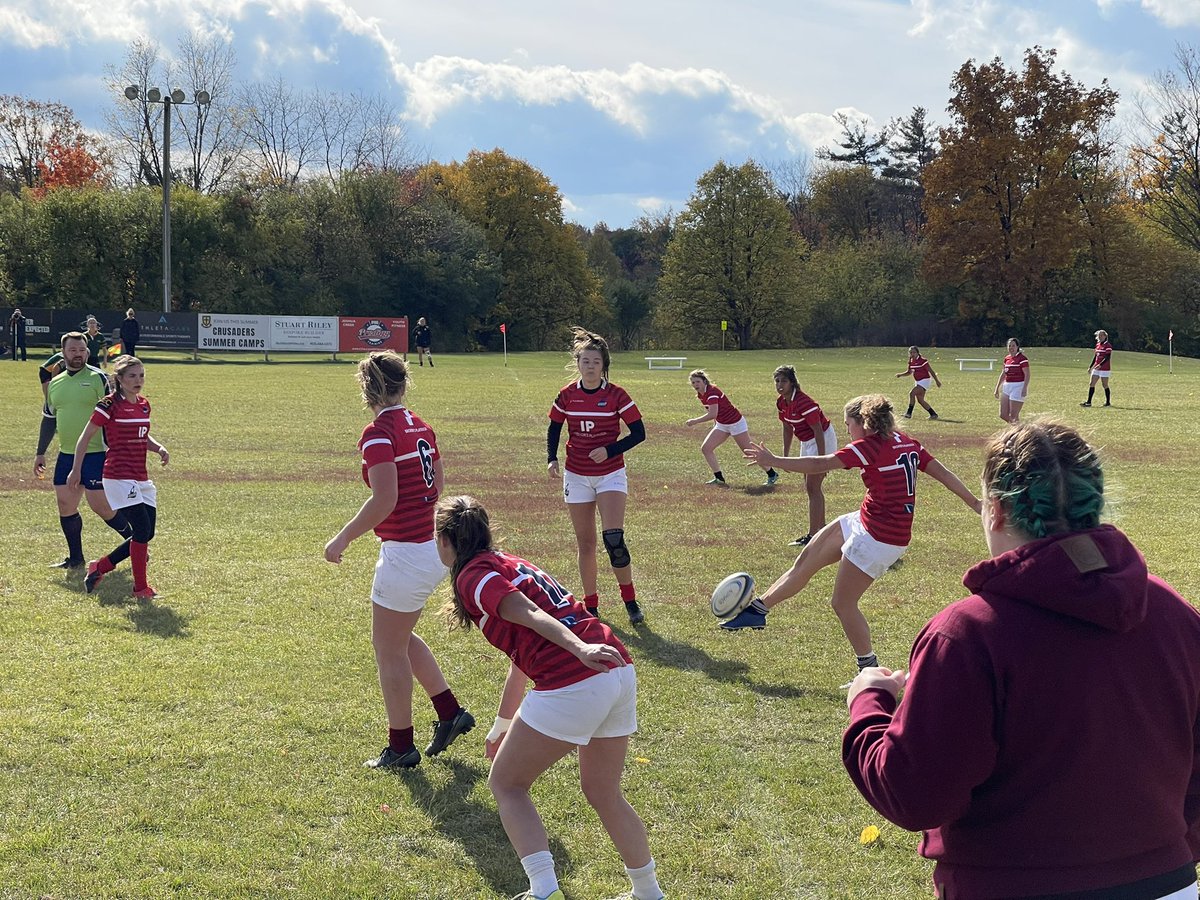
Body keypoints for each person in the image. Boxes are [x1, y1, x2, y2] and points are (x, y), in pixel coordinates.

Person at [843, 420, 1200, 900]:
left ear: (993, 511)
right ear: (1093, 506)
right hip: (1167, 885)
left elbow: (914, 794)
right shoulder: (1176, 614)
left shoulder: (969, 633)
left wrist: (868, 702)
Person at [435, 495, 665, 900]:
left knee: (507, 785)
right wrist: (502, 726)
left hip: (579, 675)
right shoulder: (509, 562)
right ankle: (648, 893)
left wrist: (579, 649)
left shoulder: (475, 575)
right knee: (603, 792)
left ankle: (544, 891)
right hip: (617, 670)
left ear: (446, 540)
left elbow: (529, 613)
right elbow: (520, 659)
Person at [734, 395, 981, 682]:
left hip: (882, 537)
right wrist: (974, 503)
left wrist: (773, 460)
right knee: (808, 558)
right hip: (866, 519)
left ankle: (869, 669)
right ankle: (758, 610)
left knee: (842, 603)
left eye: (848, 424)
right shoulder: (906, 441)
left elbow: (821, 463)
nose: (846, 430)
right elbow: (944, 474)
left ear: (862, 424)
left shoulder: (868, 447)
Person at [323, 351, 473, 769]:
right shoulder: (421, 425)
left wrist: (342, 538)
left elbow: (384, 499)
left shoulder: (378, 432)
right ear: (403, 384)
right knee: (400, 639)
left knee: (387, 648)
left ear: (366, 387)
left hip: (406, 552)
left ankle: (401, 746)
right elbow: (438, 484)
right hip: (433, 546)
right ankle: (449, 712)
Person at [547, 328, 646, 626]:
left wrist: (610, 449)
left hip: (610, 474)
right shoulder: (566, 395)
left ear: (604, 365)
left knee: (613, 539)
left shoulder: (616, 394)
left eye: (596, 361)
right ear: (578, 363)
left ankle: (629, 600)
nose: (590, 366)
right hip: (576, 475)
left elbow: (639, 433)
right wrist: (551, 458)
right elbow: (554, 428)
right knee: (586, 543)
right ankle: (591, 606)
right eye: (585, 361)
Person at [68, 355, 168, 600]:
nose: (138, 380)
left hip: (140, 477)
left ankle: (99, 567)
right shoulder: (108, 404)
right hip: (118, 476)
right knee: (142, 529)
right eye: (132, 376)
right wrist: (76, 469)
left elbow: (142, 435)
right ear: (120, 379)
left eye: (141, 375)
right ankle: (140, 589)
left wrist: (158, 448)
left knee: (146, 533)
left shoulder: (144, 404)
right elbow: (85, 436)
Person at [35, 332, 133, 570]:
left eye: (82, 350)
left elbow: (117, 412)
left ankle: (136, 544)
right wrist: (40, 452)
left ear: (87, 352)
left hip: (96, 453)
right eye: (72, 350)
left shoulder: (99, 378)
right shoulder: (55, 384)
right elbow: (49, 419)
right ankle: (75, 558)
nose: (78, 354)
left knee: (101, 506)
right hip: (67, 453)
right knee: (65, 504)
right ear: (62, 353)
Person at [774, 365, 836, 547]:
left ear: (792, 382)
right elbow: (787, 428)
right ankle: (822, 529)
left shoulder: (803, 402)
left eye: (783, 381)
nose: (779, 385)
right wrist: (785, 457)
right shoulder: (781, 402)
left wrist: (822, 459)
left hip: (821, 439)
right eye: (777, 381)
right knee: (810, 487)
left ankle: (813, 535)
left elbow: (817, 430)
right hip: (806, 441)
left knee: (812, 487)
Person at [685, 369, 776, 486]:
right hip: (722, 424)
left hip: (735, 423)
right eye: (693, 382)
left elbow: (713, 413)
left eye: (697, 381)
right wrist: (716, 424)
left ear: (704, 381)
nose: (695, 385)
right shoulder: (701, 394)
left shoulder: (712, 392)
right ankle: (719, 478)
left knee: (749, 452)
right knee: (706, 448)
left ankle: (772, 474)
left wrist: (694, 421)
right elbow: (714, 412)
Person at [896, 346, 941, 420]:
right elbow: (909, 372)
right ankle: (933, 414)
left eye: (914, 352)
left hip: (925, 381)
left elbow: (931, 371)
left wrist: (937, 381)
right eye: (910, 352)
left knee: (912, 393)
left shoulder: (923, 361)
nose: (912, 354)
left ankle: (908, 413)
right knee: (920, 400)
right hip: (918, 381)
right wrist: (900, 375)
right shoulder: (911, 361)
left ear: (917, 353)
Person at [994, 337, 1030, 424]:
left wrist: (1025, 388)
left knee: (1014, 416)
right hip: (1007, 386)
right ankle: (1021, 429)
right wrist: (997, 388)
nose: (1011, 348)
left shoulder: (1022, 358)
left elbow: (1027, 374)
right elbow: (1003, 373)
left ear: (1017, 347)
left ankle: (1019, 432)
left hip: (1018, 386)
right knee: (1003, 415)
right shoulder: (1007, 358)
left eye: (1013, 346)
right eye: (1009, 346)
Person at [1082, 328, 1113, 407]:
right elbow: (1095, 357)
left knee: (1104, 385)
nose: (1100, 337)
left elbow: (1107, 357)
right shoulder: (1098, 345)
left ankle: (1108, 402)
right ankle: (1089, 402)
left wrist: (1101, 365)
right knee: (1092, 383)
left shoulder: (1108, 345)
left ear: (1105, 336)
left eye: (1102, 335)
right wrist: (1091, 367)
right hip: (1096, 368)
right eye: (1099, 336)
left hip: (1105, 368)